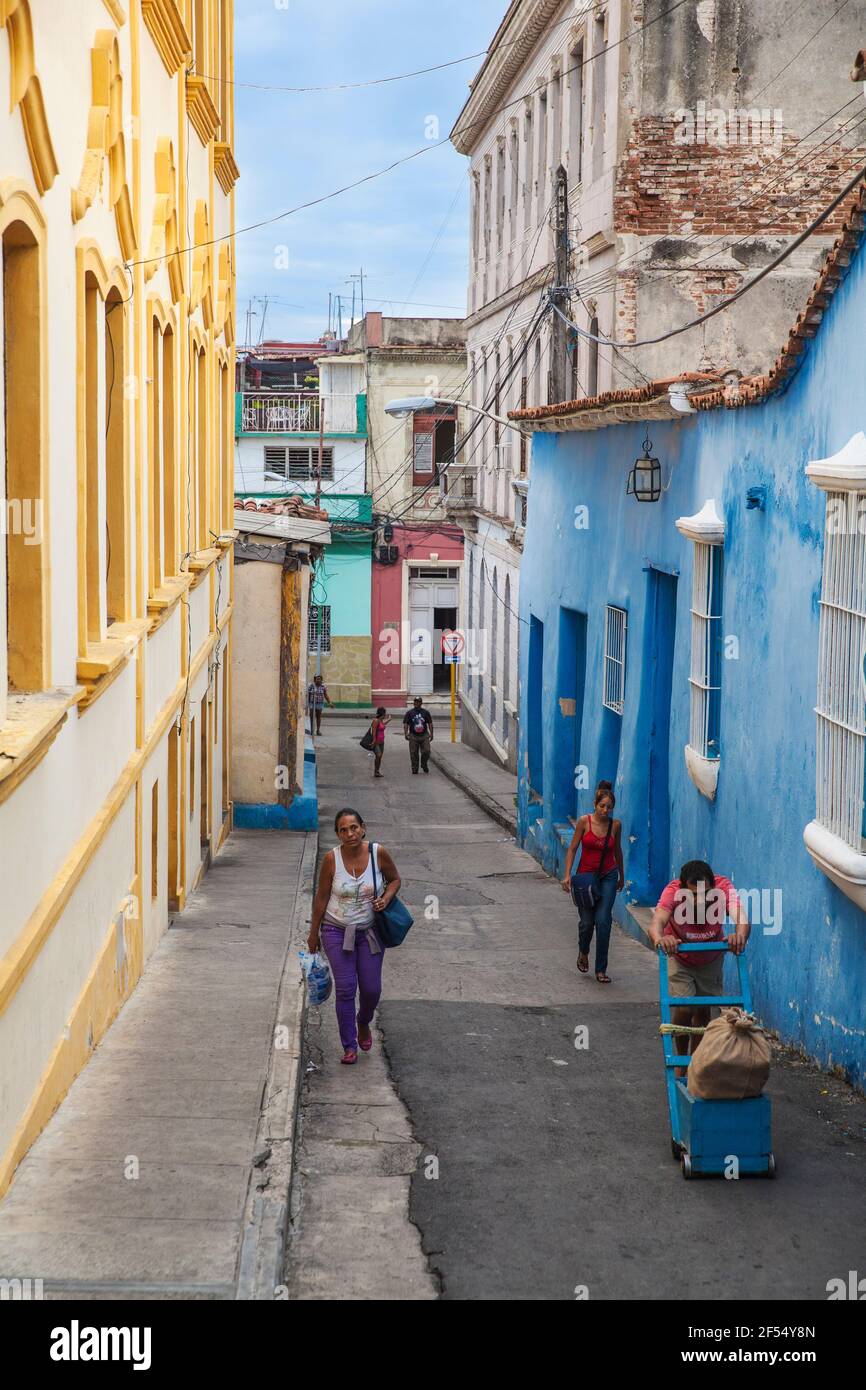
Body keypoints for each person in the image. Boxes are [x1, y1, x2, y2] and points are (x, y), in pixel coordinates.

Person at [307, 808, 401, 1065]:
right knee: (346, 989)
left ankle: (363, 1022)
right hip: (336, 931)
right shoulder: (331, 859)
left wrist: (385, 899)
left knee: (371, 990)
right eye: (343, 830)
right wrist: (313, 933)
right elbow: (322, 897)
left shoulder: (377, 853)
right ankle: (349, 1046)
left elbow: (394, 880)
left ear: (363, 827)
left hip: (370, 933)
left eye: (354, 828)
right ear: (337, 834)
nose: (350, 834)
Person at [648, 860, 751, 1078]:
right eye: (693, 894)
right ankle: (680, 1061)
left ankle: (694, 1065)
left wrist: (739, 936)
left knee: (703, 1011)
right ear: (683, 889)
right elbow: (657, 921)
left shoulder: (724, 887)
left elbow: (741, 918)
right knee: (685, 1008)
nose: (700, 900)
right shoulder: (672, 891)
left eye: (706, 893)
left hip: (710, 959)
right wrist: (661, 939)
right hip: (680, 957)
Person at [561, 780, 624, 983]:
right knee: (587, 923)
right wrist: (567, 874)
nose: (605, 810)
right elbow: (572, 849)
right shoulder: (584, 822)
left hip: (608, 875)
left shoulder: (615, 825)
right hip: (585, 879)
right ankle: (583, 951)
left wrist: (622, 876)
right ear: (595, 804)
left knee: (603, 920)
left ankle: (601, 969)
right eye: (602, 806)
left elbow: (618, 852)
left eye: (609, 807)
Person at [403, 696, 433, 773]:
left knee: (427, 751)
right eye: (415, 702)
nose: (416, 703)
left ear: (421, 703)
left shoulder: (426, 712)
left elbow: (430, 723)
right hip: (413, 735)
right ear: (414, 703)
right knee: (413, 753)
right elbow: (406, 723)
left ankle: (424, 763)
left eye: (418, 702)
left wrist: (431, 733)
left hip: (424, 735)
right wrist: (406, 733)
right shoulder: (409, 713)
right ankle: (414, 768)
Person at [370, 707, 391, 778]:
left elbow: (382, 725)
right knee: (378, 755)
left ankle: (377, 771)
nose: (385, 714)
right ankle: (376, 771)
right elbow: (374, 731)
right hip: (376, 742)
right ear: (382, 714)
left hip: (382, 742)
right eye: (385, 713)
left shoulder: (380, 720)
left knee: (379, 757)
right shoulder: (375, 721)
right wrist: (374, 740)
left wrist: (389, 720)